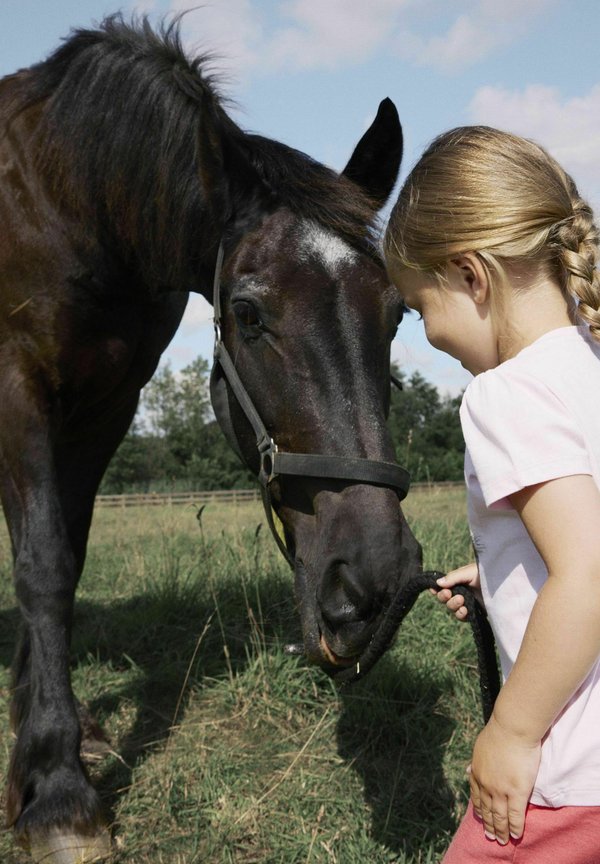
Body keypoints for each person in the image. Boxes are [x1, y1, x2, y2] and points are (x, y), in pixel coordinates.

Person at [383, 126, 600, 862]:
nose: (427, 332)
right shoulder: (590, 365)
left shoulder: (503, 396)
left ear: (470, 274)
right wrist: (505, 571)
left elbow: (589, 571)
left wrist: (509, 732)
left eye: (418, 307)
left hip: (565, 775)